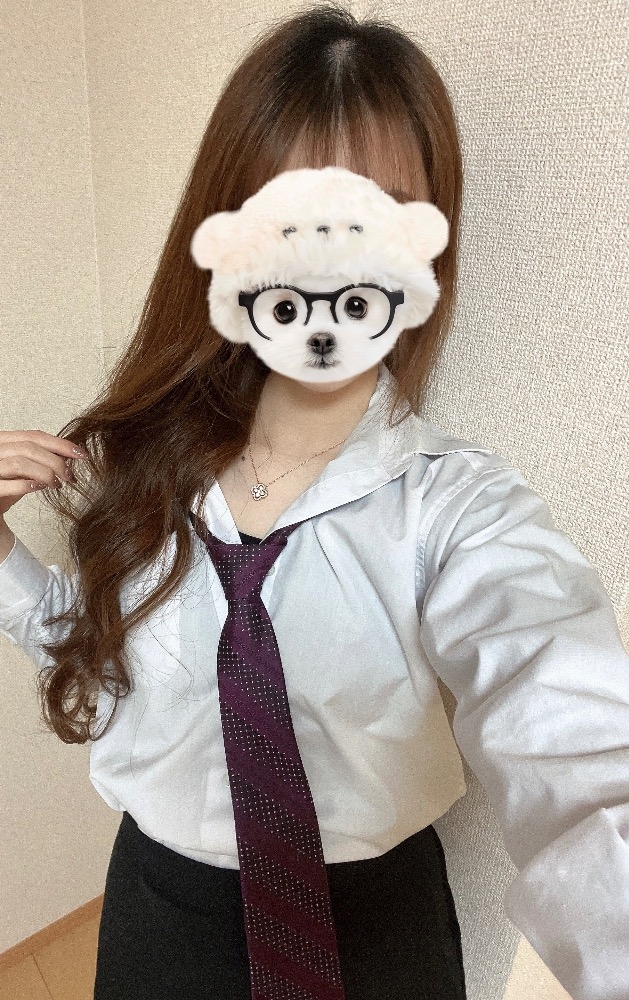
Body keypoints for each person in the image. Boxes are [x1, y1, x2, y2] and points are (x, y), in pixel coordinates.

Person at [0, 5, 627, 1000]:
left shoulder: (459, 512)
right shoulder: (144, 462)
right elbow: (106, 667)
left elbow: (578, 738)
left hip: (381, 932)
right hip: (163, 915)